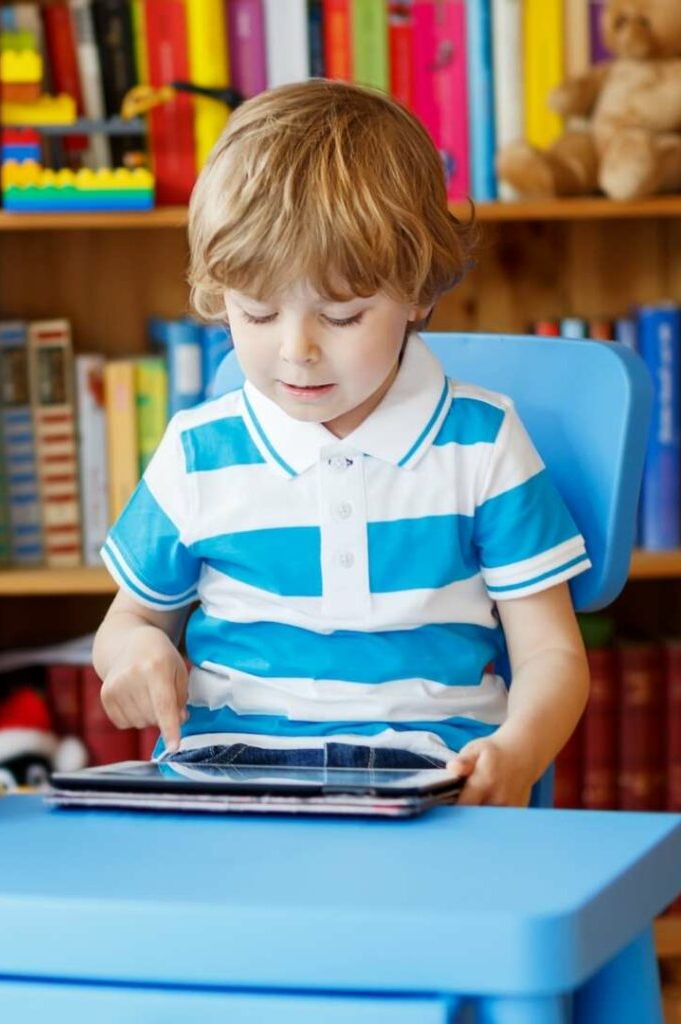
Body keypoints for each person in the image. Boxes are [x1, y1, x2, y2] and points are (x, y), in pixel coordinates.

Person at [92, 80, 590, 806]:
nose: (297, 351)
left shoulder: (482, 446)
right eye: (257, 313)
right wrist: (135, 653)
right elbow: (129, 620)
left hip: (430, 785)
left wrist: (516, 752)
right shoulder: (199, 451)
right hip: (230, 793)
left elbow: (551, 653)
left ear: (416, 292)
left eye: (345, 316)